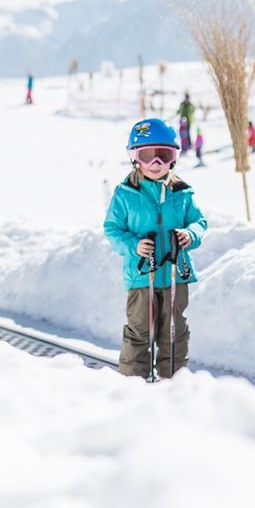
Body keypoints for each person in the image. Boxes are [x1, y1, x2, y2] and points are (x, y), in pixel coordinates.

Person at [103, 118, 207, 379]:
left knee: (174, 331)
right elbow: (112, 229)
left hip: (175, 274)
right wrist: (133, 244)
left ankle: (173, 381)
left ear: (174, 158)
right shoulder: (125, 194)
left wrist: (190, 234)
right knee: (140, 330)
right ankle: (133, 382)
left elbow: (199, 221)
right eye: (148, 156)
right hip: (141, 276)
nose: (156, 164)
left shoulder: (182, 192)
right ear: (135, 158)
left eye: (164, 155)